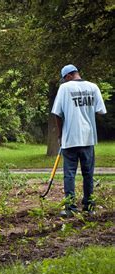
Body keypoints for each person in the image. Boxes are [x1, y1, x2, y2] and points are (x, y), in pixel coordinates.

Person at [51, 64, 107, 217]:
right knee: (88, 173)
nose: (64, 81)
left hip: (70, 138)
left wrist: (60, 135)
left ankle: (71, 208)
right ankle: (89, 206)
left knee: (69, 174)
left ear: (68, 76)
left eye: (64, 79)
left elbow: (57, 113)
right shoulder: (93, 87)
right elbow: (101, 111)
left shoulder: (65, 88)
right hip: (88, 138)